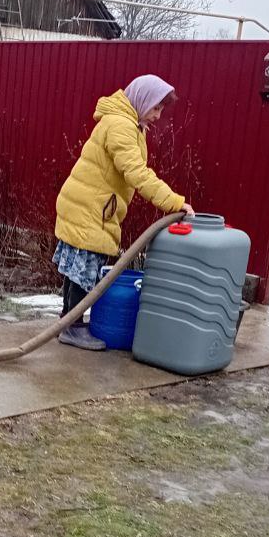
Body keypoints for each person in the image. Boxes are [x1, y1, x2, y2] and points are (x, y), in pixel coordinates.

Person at [52, 74, 194, 351]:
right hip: (89, 207)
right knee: (84, 269)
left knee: (79, 268)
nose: (158, 115)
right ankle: (72, 326)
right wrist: (174, 202)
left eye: (161, 109)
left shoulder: (129, 123)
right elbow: (137, 173)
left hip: (89, 204)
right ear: (142, 100)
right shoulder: (121, 126)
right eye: (156, 107)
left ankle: (68, 321)